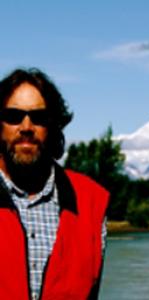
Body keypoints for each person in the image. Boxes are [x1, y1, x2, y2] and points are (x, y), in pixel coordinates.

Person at [0, 68, 109, 300]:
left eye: (38, 118)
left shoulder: (90, 203)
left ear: (53, 126)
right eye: (13, 116)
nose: (26, 127)